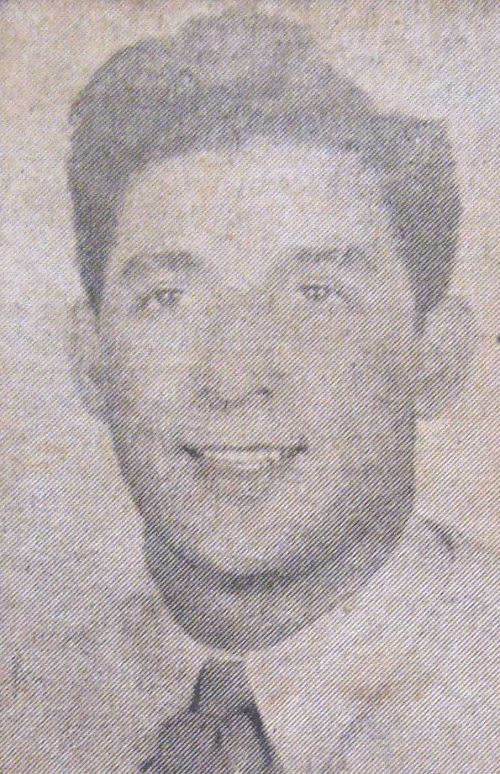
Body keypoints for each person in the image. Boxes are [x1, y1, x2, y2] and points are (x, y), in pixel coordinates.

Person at [68, 10, 498, 773]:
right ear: (92, 359)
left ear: (435, 356)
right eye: (169, 298)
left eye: (316, 295)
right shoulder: (29, 701)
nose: (234, 380)